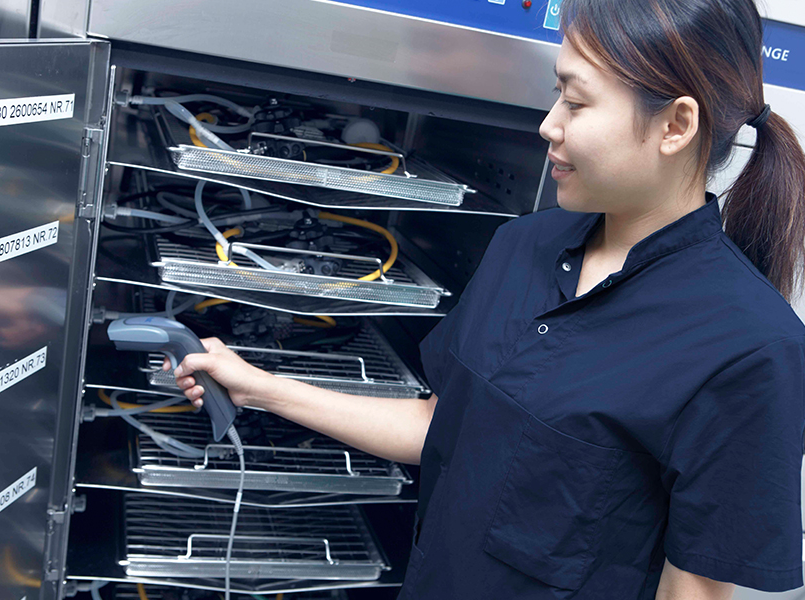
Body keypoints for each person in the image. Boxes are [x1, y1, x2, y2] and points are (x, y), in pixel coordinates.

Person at [166, 0, 805, 597]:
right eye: (558, 92)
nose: (548, 124)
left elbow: (692, 589)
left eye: (577, 103)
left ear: (676, 124)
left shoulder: (751, 348)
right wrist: (256, 387)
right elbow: (442, 424)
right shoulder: (522, 245)